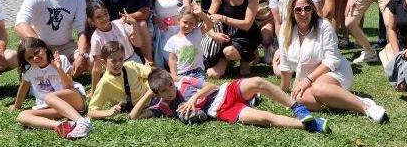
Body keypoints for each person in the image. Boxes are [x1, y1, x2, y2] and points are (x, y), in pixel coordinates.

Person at [278, 0, 389, 124]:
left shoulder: (323, 26)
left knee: (318, 88)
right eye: (298, 9)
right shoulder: (286, 29)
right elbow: (285, 66)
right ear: (292, 12)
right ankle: (347, 99)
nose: (303, 13)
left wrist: (308, 80)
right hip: (308, 79)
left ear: (312, 10)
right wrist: (283, 91)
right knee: (299, 99)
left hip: (334, 70)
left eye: (307, 8)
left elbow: (332, 60)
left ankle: (366, 107)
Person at [130, 68, 331, 133]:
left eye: (170, 87)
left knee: (258, 81)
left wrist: (194, 99)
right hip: (222, 111)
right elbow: (133, 117)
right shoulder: (163, 106)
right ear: (158, 94)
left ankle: (297, 107)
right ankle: (310, 125)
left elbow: (212, 86)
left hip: (226, 91)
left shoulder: (183, 82)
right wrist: (149, 93)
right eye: (164, 91)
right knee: (263, 118)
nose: (169, 93)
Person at [14, 0, 89, 77]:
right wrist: (42, 47)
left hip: (66, 46)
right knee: (52, 63)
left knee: (90, 62)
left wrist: (82, 55)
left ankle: (59, 71)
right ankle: (62, 72)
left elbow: (81, 31)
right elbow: (20, 24)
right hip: (39, 47)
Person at [9, 37, 93, 139]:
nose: (35, 58)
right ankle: (62, 125)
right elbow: (23, 88)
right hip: (53, 108)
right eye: (30, 58)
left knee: (49, 97)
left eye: (36, 52)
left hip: (74, 100)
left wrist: (59, 68)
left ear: (44, 48)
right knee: (22, 116)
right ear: (26, 60)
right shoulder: (29, 71)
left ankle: (82, 122)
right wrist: (17, 105)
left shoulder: (60, 59)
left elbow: (68, 86)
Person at [206, 0, 262, 78]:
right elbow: (208, 19)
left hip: (247, 35)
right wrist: (214, 35)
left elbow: (247, 24)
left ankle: (248, 54)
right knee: (213, 74)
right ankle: (231, 59)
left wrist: (223, 18)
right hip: (225, 36)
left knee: (233, 57)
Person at [269, 0, 319, 76]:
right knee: (280, 72)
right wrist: (282, 48)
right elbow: (277, 24)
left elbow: (317, 18)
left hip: (308, 36)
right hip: (286, 38)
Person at [87, 0, 143, 91]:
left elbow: (138, 43)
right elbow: (97, 67)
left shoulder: (120, 24)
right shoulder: (96, 38)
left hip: (133, 62)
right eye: (99, 17)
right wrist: (93, 90)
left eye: (105, 14)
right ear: (91, 21)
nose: (104, 18)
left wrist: (134, 24)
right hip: (115, 68)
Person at [87, 41, 152, 119]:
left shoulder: (131, 66)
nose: (118, 63)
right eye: (113, 61)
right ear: (104, 62)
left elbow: (153, 73)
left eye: (121, 59)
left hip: (153, 95)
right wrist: (108, 112)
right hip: (138, 108)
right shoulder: (105, 83)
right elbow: (91, 112)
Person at [152, 0, 193, 67]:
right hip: (162, 31)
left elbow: (187, 6)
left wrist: (177, 18)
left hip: (180, 28)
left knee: (183, 62)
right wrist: (156, 20)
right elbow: (151, 12)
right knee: (170, 61)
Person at [164, 3, 213, 82]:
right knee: (184, 90)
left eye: (191, 23)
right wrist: (174, 75)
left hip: (197, 71)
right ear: (179, 20)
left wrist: (201, 14)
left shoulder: (196, 33)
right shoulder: (172, 40)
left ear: (195, 24)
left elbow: (210, 25)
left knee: (197, 87)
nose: (187, 26)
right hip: (181, 73)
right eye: (185, 22)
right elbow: (172, 60)